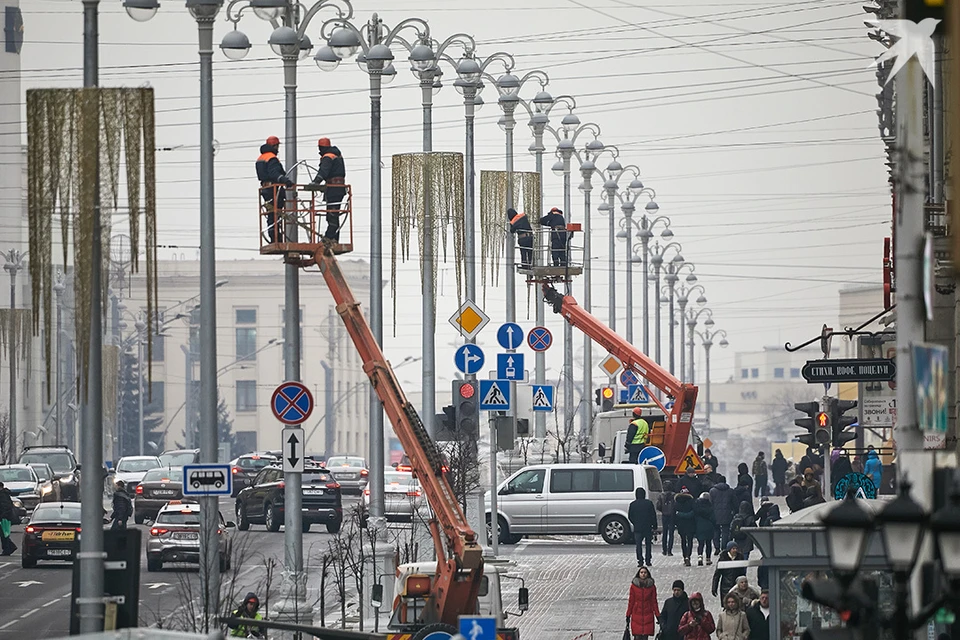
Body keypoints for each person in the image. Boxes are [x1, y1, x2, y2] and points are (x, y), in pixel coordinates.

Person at [256, 136, 294, 243]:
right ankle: (276, 238)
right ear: (274, 146)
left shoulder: (261, 158)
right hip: (274, 190)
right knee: (276, 214)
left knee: (271, 214)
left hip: (266, 189)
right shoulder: (272, 158)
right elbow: (274, 174)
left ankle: (274, 237)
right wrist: (285, 180)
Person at [312, 137, 347, 242]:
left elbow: (323, 171)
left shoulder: (328, 157)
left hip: (333, 189)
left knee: (331, 214)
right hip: (337, 189)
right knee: (334, 214)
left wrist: (316, 182)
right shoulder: (336, 155)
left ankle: (328, 238)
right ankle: (334, 238)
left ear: (321, 147)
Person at [625, 566, 660, 640]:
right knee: (637, 636)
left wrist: (657, 615)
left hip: (648, 613)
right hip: (636, 613)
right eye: (641, 572)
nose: (643, 574)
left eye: (645, 572)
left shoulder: (652, 587)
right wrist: (628, 614)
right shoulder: (634, 586)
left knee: (645, 637)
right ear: (639, 574)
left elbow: (654, 601)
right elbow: (631, 601)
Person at [629, 488, 658, 567]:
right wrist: (654, 525)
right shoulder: (649, 503)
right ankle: (648, 560)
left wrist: (635, 523)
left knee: (638, 545)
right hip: (647, 527)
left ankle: (640, 561)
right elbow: (653, 515)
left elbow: (630, 516)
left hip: (638, 527)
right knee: (648, 544)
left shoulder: (633, 504)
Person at [709, 476, 736, 553]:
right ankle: (724, 548)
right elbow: (734, 503)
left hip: (715, 514)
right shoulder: (730, 491)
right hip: (727, 514)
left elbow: (710, 503)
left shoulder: (712, 491)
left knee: (716, 531)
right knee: (725, 532)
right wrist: (734, 512)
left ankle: (717, 548)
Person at [675, 488, 697, 567]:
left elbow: (675, 514)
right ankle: (688, 556)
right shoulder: (692, 502)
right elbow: (694, 513)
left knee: (683, 540)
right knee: (690, 540)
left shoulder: (677, 502)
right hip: (690, 524)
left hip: (681, 524)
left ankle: (685, 556)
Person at [694, 492, 716, 566]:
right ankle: (708, 559)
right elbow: (713, 518)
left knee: (700, 543)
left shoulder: (697, 506)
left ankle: (700, 557)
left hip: (700, 526)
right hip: (709, 526)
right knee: (708, 543)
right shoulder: (710, 506)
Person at [657, 481, 677, 556]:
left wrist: (663, 510)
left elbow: (658, 506)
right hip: (672, 515)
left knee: (664, 533)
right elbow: (676, 505)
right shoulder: (674, 495)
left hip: (664, 515)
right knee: (671, 533)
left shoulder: (661, 495)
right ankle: (669, 550)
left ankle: (664, 550)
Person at [0, 482, 17, 556]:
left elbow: (5, 507)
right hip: (5, 517)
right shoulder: (4, 494)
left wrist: (2, 516)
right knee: (3, 534)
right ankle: (9, 547)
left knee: (4, 534)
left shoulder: (3, 495)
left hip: (4, 518)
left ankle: (8, 548)